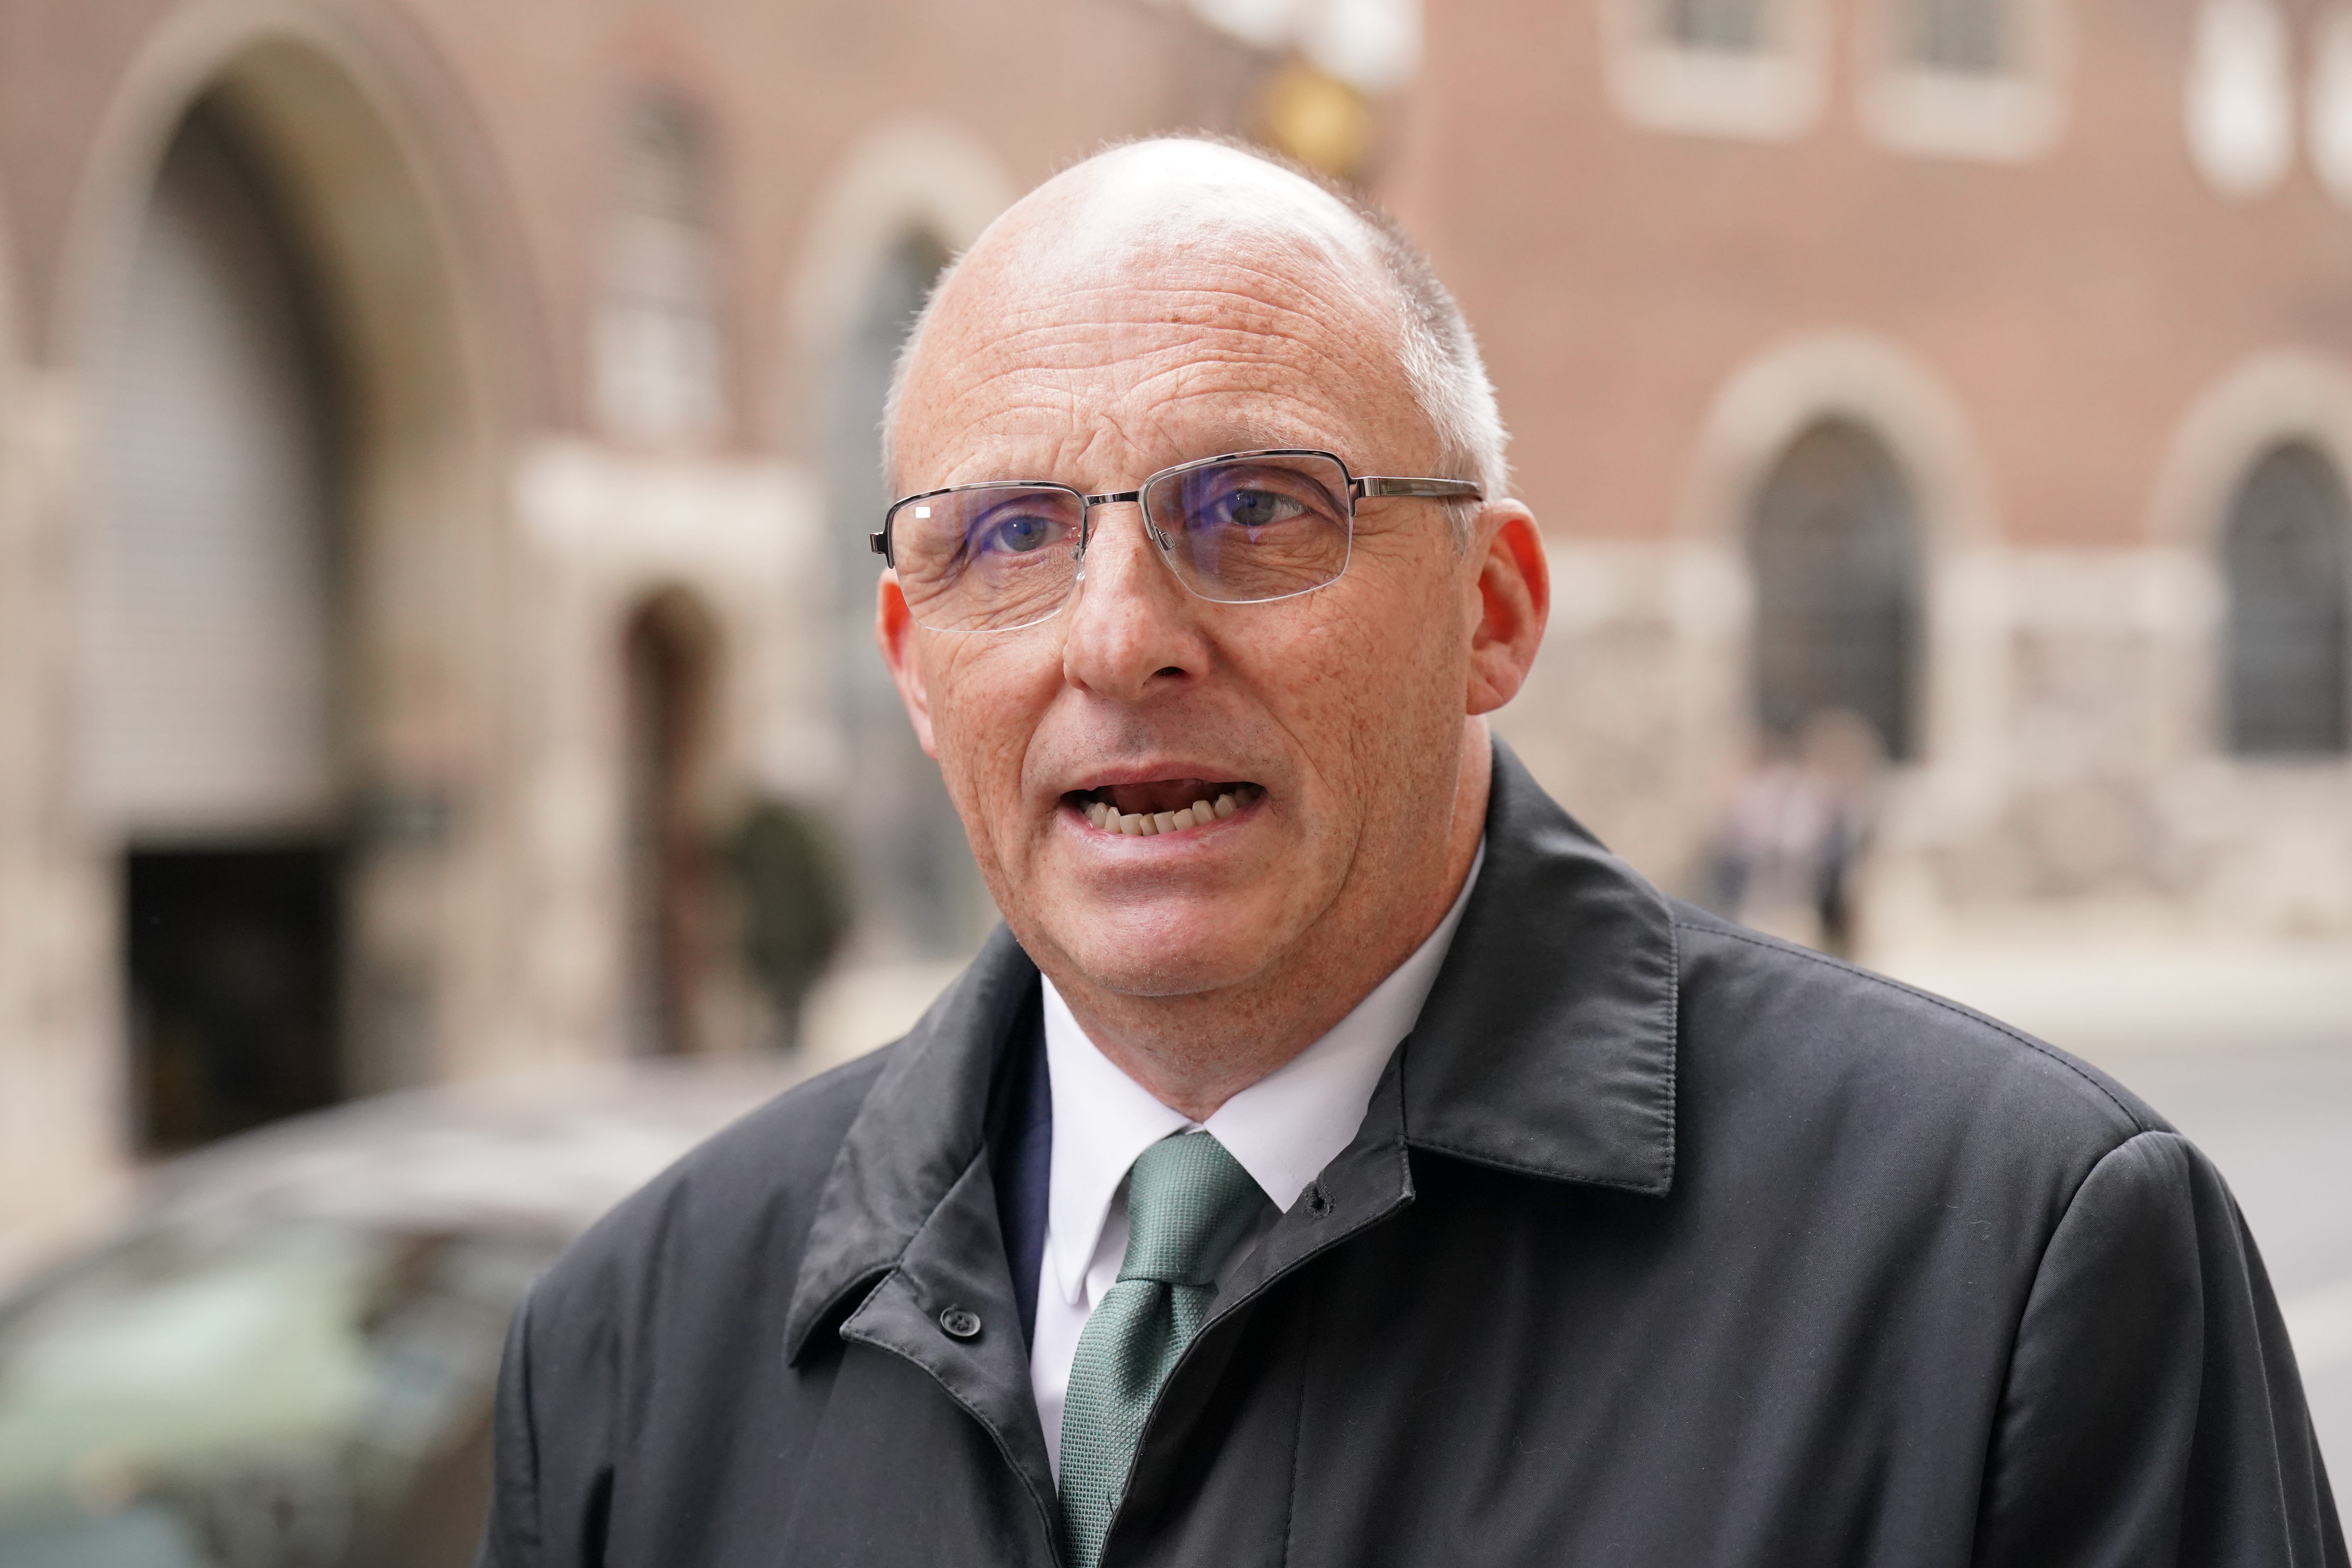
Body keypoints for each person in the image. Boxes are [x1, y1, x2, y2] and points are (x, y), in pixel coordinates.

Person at [478, 139, 2343, 1566]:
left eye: (1257, 509)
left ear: (1496, 613)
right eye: (1009, 536)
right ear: (909, 665)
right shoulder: (635, 1351)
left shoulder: (2012, 1266)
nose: (1119, 635)